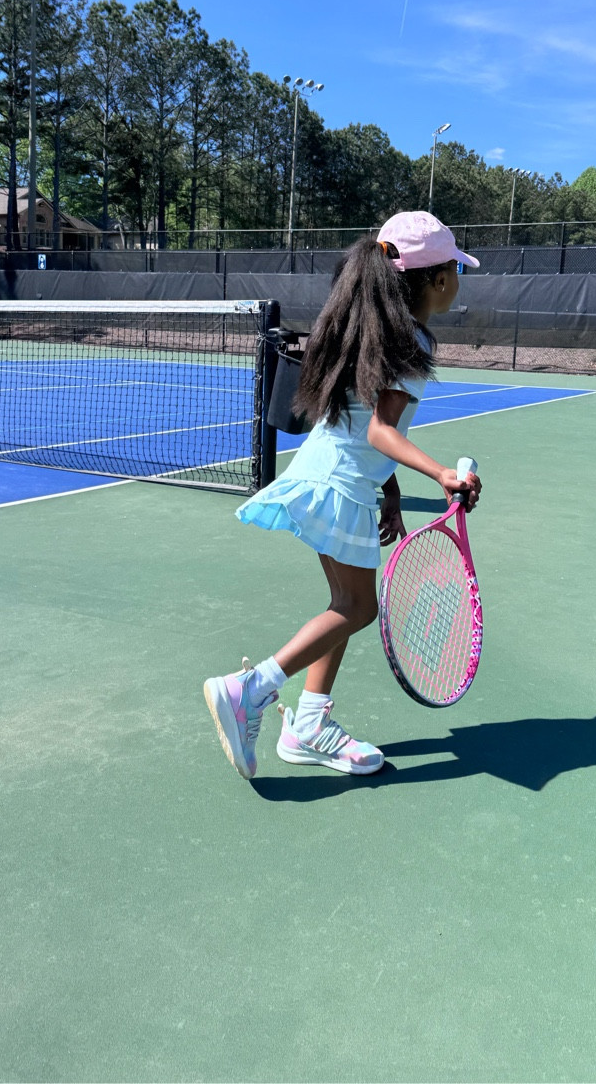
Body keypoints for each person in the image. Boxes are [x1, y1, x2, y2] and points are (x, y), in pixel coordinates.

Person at [203, 211, 482, 780]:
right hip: (338, 485)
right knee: (357, 607)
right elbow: (381, 430)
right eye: (455, 266)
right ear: (435, 278)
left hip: (336, 478)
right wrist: (441, 475)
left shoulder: (381, 328)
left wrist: (392, 489)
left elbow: (369, 426)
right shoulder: (409, 338)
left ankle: (307, 727)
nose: (459, 277)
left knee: (346, 607)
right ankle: (249, 691)